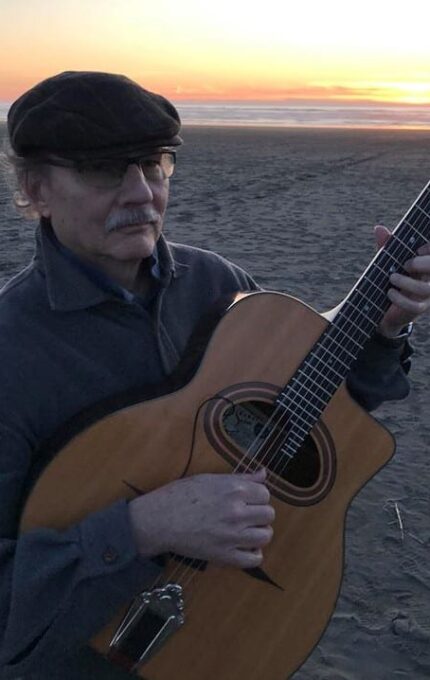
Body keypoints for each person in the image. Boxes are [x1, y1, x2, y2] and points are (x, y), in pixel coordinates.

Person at [0, 71, 429, 680]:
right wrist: (143, 526)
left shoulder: (219, 284)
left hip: (240, 627)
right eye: (103, 171)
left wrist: (382, 328)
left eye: (154, 165)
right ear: (35, 188)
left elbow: (310, 415)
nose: (141, 195)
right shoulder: (11, 349)